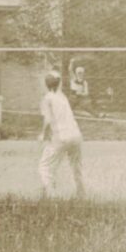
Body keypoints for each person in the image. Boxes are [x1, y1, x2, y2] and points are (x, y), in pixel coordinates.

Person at [39, 70, 85, 199]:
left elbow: (47, 120)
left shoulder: (47, 98)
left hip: (61, 136)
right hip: (76, 134)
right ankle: (81, 194)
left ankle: (51, 197)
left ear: (46, 84)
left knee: (45, 167)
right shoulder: (62, 96)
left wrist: (43, 134)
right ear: (58, 84)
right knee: (76, 167)